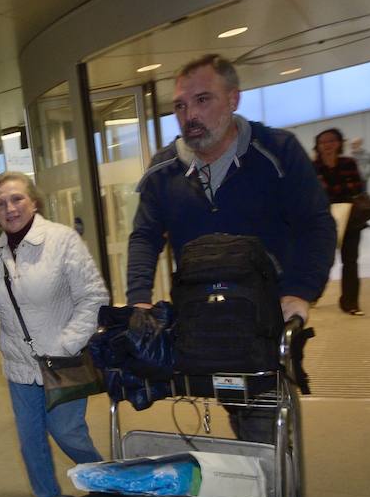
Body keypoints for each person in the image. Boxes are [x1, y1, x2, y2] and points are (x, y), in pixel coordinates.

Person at [126, 54, 336, 441]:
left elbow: (316, 225)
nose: (190, 114)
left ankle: (268, 495)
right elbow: (144, 236)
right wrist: (138, 299)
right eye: (180, 105)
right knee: (219, 437)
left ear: (234, 99)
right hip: (199, 324)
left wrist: (300, 292)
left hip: (264, 323)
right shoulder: (164, 170)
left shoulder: (277, 152)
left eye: (203, 100)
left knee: (264, 437)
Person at [0, 172, 109, 497]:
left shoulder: (62, 240)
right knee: (30, 442)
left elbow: (94, 297)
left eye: (17, 198)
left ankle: (110, 487)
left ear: (33, 201)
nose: (10, 208)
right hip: (19, 365)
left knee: (68, 433)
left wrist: (67, 344)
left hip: (63, 361)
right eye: (0, 204)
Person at [313, 128, 367, 316]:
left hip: (350, 218)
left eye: (331, 141)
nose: (327, 145)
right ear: (317, 146)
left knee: (350, 261)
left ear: (339, 143)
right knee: (319, 261)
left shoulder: (348, 163)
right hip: (322, 220)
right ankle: (312, 294)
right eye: (323, 142)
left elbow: (358, 187)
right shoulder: (312, 167)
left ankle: (350, 302)